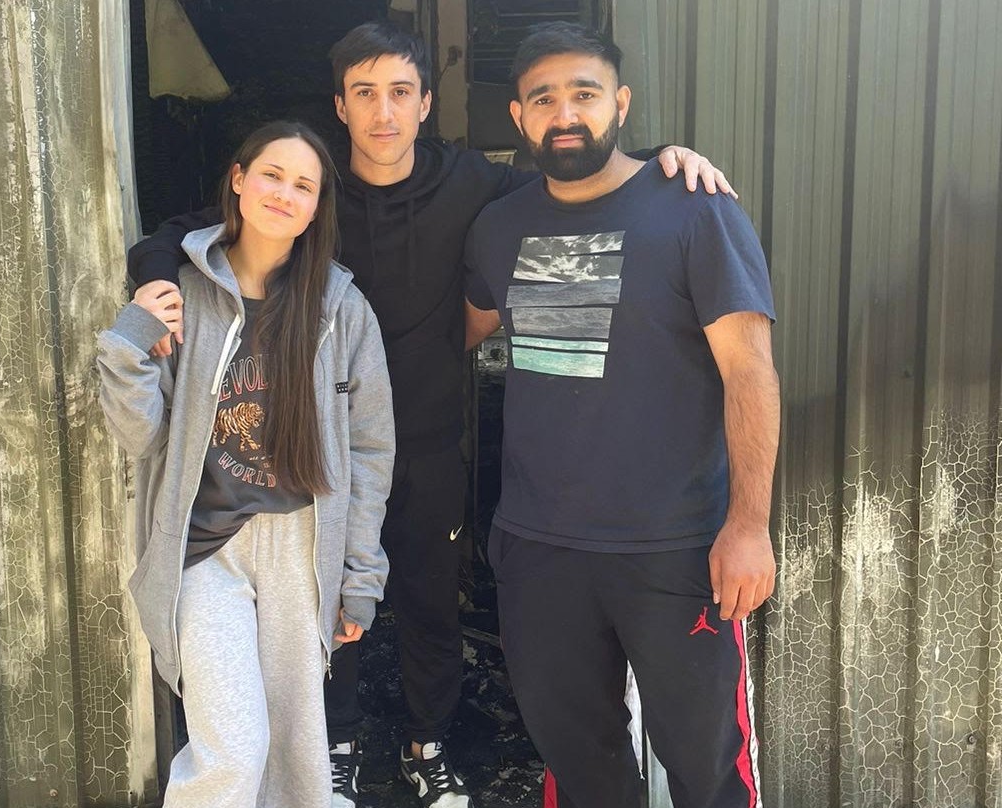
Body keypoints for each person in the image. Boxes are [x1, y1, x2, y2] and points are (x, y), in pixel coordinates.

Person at [126, 22, 733, 808]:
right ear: (340, 107)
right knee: (331, 599)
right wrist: (151, 280)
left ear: (425, 104)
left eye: (401, 93)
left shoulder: (476, 182)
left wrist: (665, 159)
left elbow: (579, 164)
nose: (384, 113)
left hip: (430, 433)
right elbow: (187, 233)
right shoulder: (310, 187)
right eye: (366, 94)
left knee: (428, 595)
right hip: (314, 449)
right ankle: (333, 743)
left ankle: (427, 744)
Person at [462, 22, 779, 808]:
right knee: (579, 764)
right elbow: (447, 339)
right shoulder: (498, 228)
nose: (565, 112)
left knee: (708, 770)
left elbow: (749, 374)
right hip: (539, 551)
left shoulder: (695, 209)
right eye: (544, 98)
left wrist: (748, 526)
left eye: (584, 94)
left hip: (676, 550)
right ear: (519, 116)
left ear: (620, 104)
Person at [97, 120, 395, 808]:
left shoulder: (341, 309)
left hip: (300, 548)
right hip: (206, 550)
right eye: (271, 174)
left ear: (318, 206)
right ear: (238, 179)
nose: (284, 194)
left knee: (296, 750)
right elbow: (141, 437)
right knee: (232, 749)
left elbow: (371, 449)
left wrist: (361, 574)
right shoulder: (182, 290)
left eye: (303, 185)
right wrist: (131, 337)